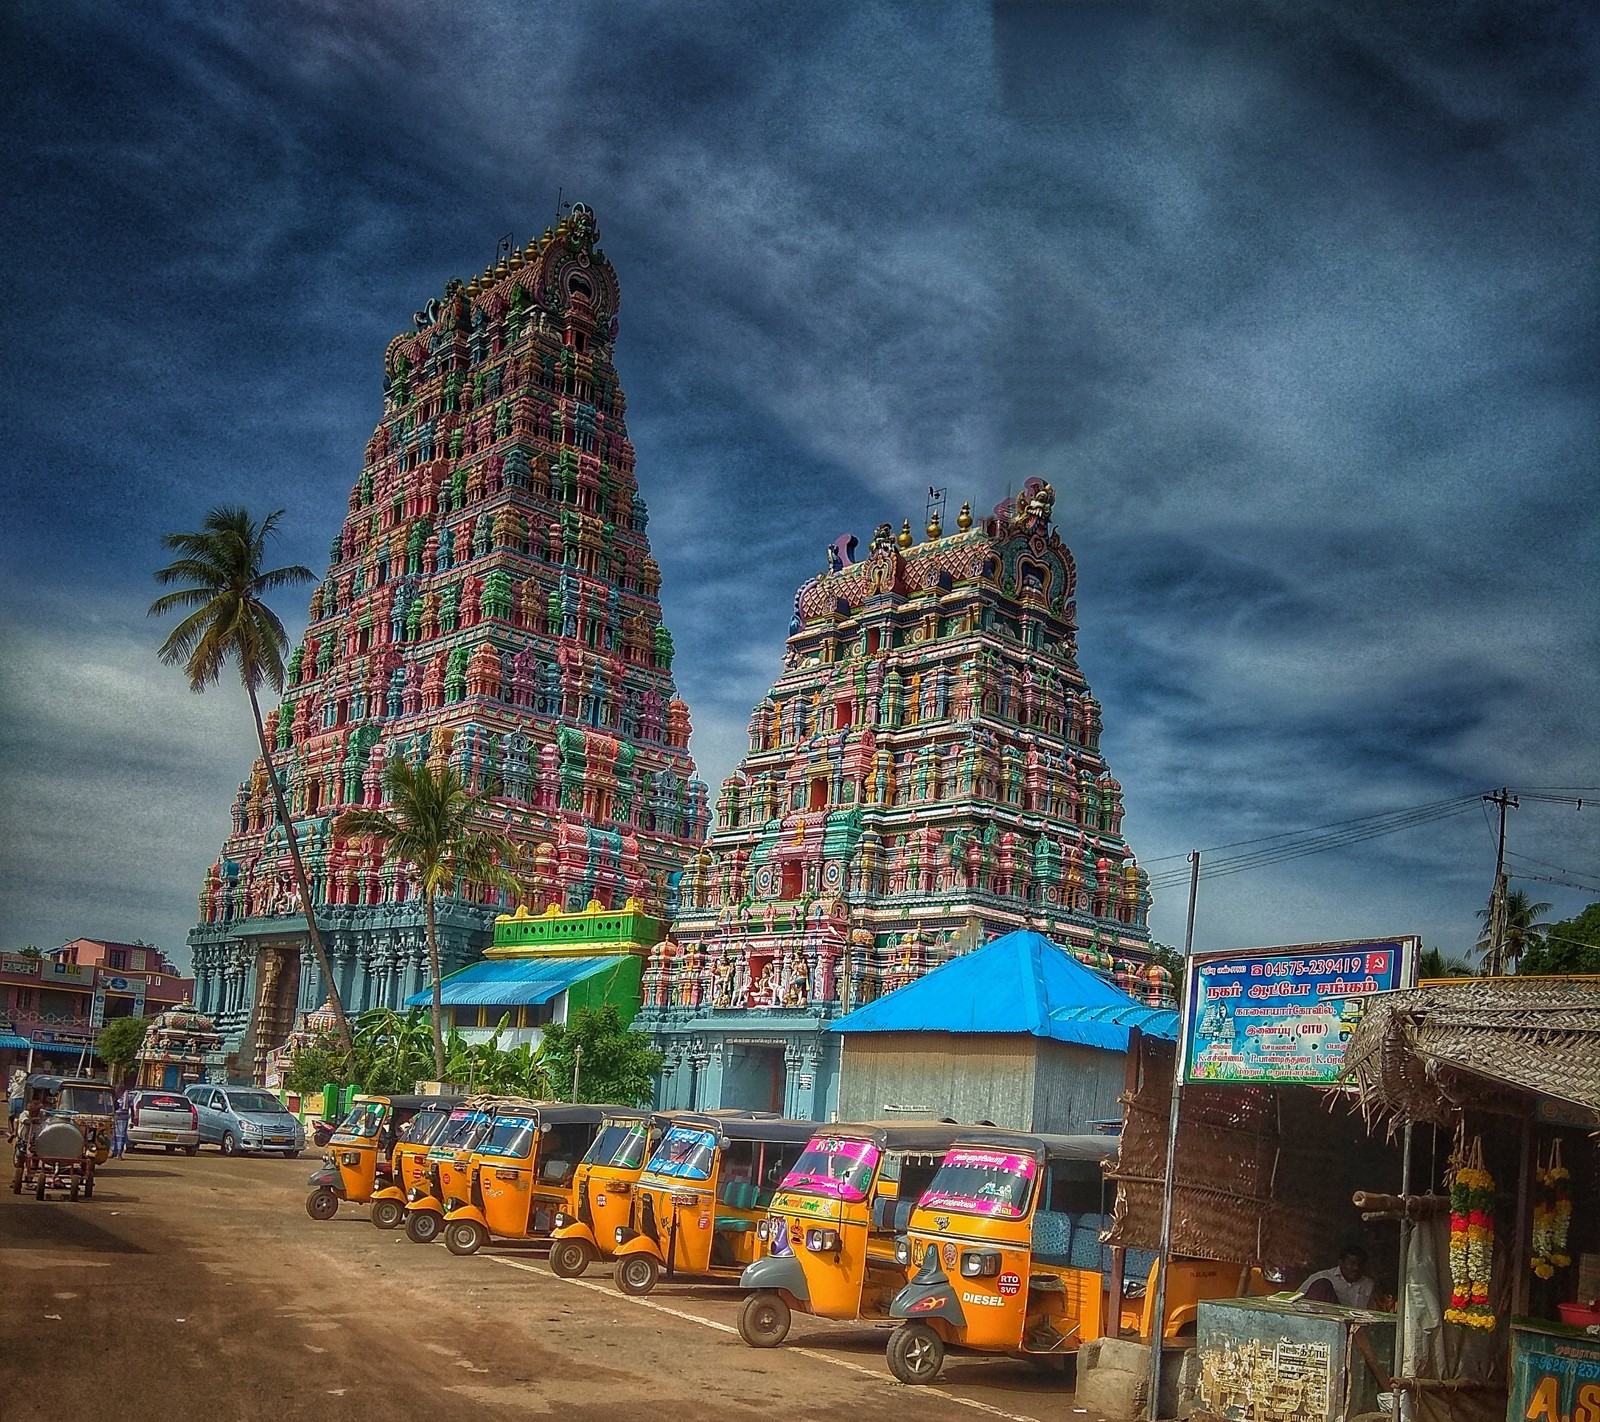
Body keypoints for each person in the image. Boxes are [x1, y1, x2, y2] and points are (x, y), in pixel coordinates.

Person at [1298, 1245, 1376, 1308]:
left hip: (1356, 1325)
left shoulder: (1368, 1284)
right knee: (1323, 1284)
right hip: (1328, 1323)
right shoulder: (1320, 1277)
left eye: (1360, 1264)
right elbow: (1296, 1299)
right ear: (1340, 1262)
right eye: (1352, 1263)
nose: (1356, 1268)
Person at [6, 1067, 24, 1138]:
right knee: (17, 1118)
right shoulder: (25, 1083)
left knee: (10, 1117)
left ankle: (11, 1131)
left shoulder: (14, 1084)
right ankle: (15, 1132)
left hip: (13, 1100)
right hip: (21, 1100)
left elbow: (9, 1091)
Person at [111, 1091, 131, 1158]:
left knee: (121, 1136)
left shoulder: (127, 1096)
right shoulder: (113, 1096)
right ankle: (113, 1151)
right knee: (113, 1136)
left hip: (123, 1118)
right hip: (114, 1117)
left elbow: (131, 1107)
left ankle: (119, 1153)